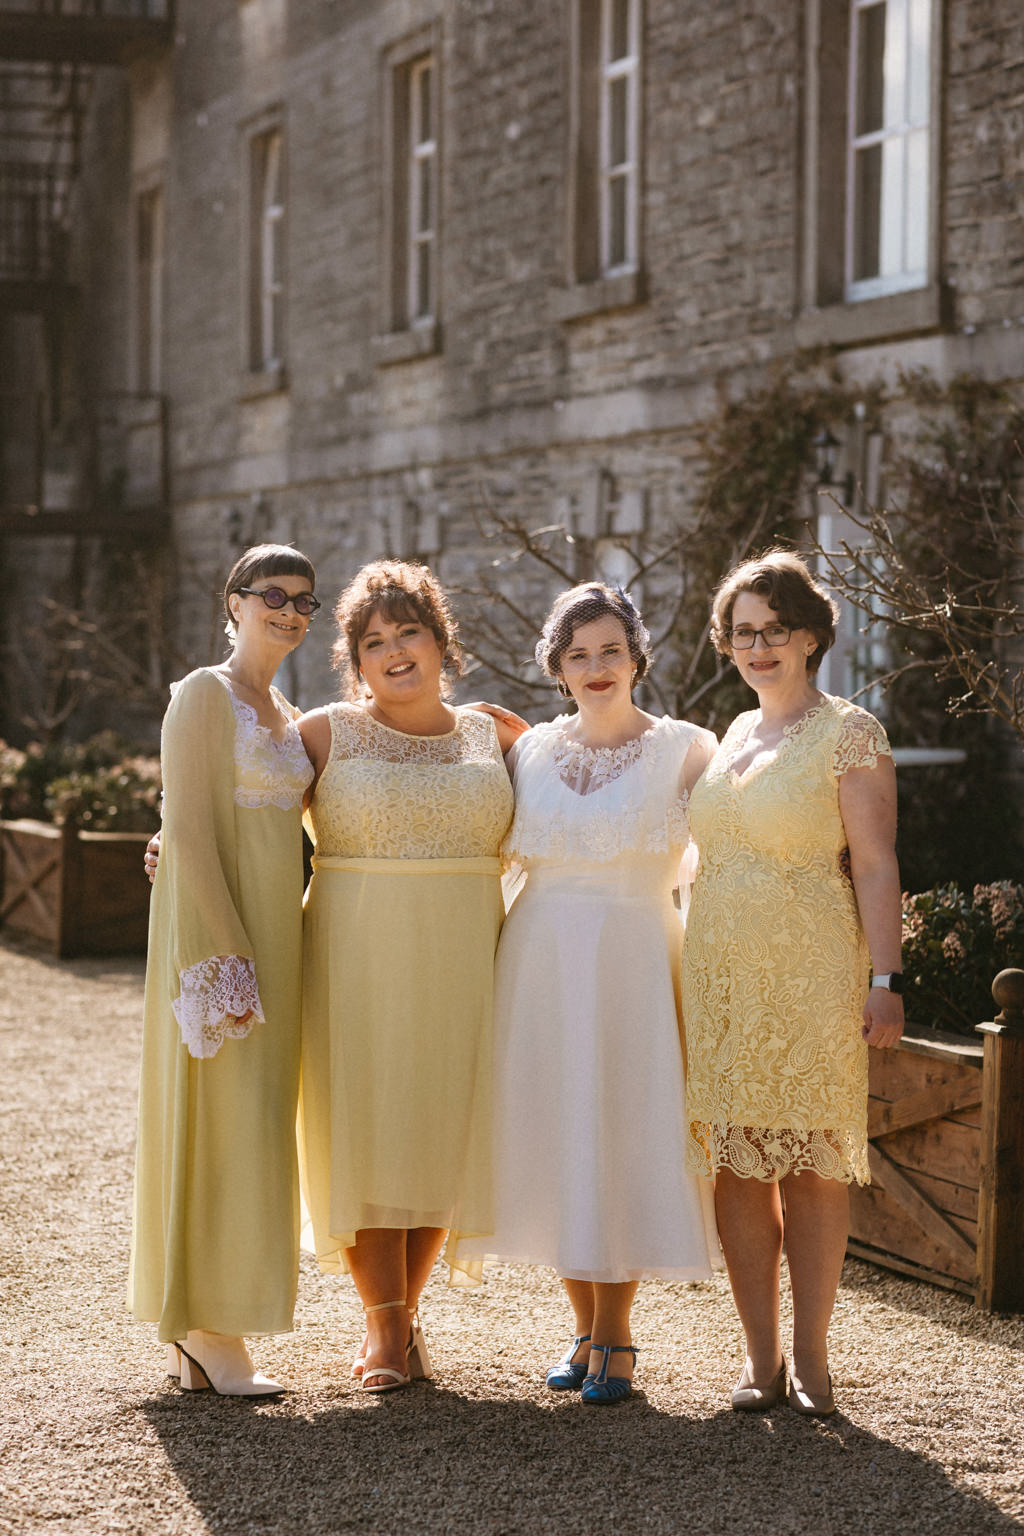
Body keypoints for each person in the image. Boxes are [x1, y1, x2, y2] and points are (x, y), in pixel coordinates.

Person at [460, 583, 722, 1404]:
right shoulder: (526, 750)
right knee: (557, 1130)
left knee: (624, 1127)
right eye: (579, 654)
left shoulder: (687, 750)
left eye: (611, 649)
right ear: (557, 667)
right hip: (538, 960)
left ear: (637, 655)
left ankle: (617, 1335)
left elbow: (737, 852)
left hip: (636, 959)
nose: (597, 666)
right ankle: (581, 1329)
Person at [681, 549, 904, 1418]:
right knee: (738, 1166)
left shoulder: (852, 731)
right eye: (744, 632)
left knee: (810, 1163)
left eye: (776, 629)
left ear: (810, 636)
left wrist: (887, 978)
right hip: (723, 974)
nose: (759, 645)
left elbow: (878, 865)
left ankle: (812, 1360)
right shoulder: (734, 733)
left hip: (812, 964)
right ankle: (760, 1359)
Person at [297, 560, 521, 1392]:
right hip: (354, 955)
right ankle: (386, 1332)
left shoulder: (494, 734)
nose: (393, 652)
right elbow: (244, 804)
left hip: (466, 953)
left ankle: (401, 1316)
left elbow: (575, 810)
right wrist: (173, 844)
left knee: (440, 1137)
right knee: (364, 1132)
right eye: (373, 641)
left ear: (440, 641)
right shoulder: (323, 733)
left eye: (408, 632)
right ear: (355, 661)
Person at [129, 543, 319, 1395]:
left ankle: (216, 1323)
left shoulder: (284, 708)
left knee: (258, 1122)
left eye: (304, 600)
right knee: (220, 1117)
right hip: (220, 941)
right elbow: (194, 830)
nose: (288, 610)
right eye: (271, 594)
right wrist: (229, 954)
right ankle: (205, 1324)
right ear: (234, 601)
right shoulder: (203, 694)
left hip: (281, 935)